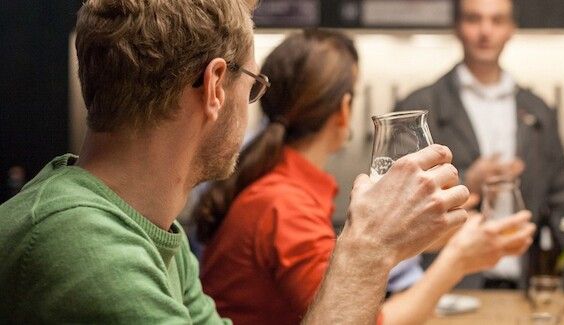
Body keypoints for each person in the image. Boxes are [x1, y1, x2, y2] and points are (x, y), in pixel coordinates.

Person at [0, 1, 471, 323]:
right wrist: (368, 249)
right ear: (215, 86)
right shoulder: (85, 251)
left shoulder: (154, 232)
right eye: (254, 86)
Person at [193, 29, 535, 325]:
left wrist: (432, 237)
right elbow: (360, 318)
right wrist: (457, 261)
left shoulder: (278, 188)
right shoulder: (284, 205)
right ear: (344, 110)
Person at [396, 0, 564, 289]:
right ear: (457, 27)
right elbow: (400, 202)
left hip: (525, 284)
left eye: (497, 20)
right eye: (474, 19)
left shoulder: (538, 111)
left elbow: (560, 203)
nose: (485, 31)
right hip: (445, 288)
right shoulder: (420, 107)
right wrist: (468, 182)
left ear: (511, 29)